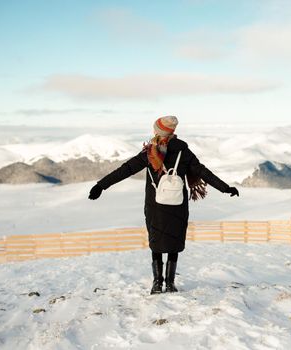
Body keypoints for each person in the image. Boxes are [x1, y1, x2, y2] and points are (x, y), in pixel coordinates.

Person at [88, 116, 239, 294]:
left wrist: (101, 186)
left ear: (157, 132)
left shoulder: (149, 153)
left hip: (155, 205)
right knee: (174, 242)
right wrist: (225, 188)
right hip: (177, 205)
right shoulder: (184, 152)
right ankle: (170, 284)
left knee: (157, 242)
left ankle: (157, 284)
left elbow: (126, 169)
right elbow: (203, 172)